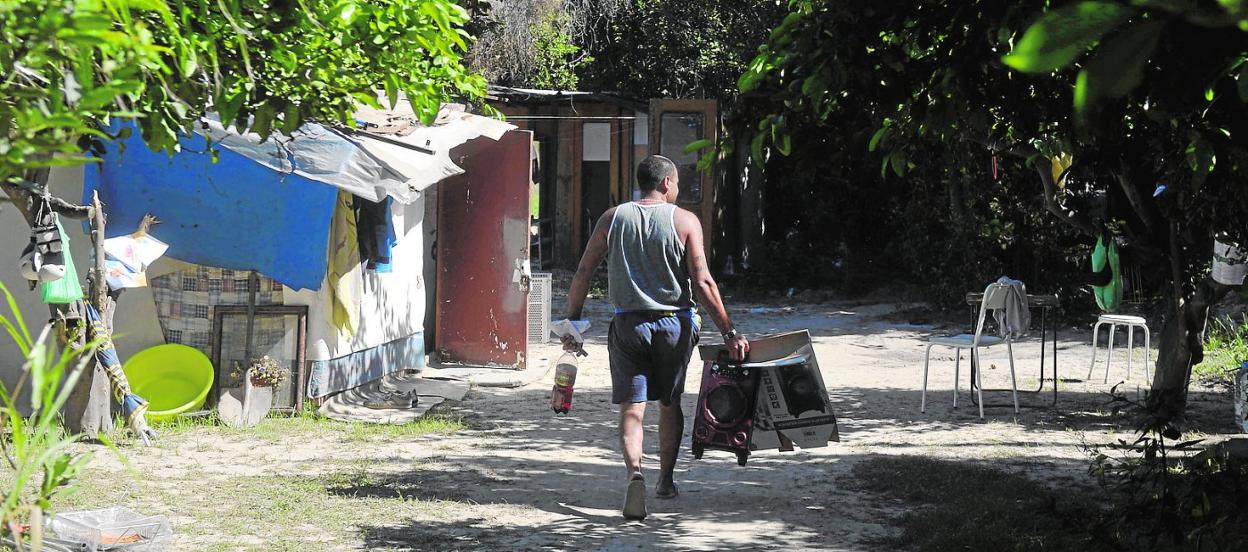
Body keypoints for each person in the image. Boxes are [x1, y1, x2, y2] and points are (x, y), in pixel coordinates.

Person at [563, 154, 750, 520]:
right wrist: (728, 330)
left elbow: (584, 271)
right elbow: (702, 281)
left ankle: (635, 473)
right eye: (677, 183)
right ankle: (665, 480)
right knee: (669, 403)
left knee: (633, 408)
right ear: (666, 183)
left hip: (628, 325)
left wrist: (573, 322)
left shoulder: (612, 218)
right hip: (673, 326)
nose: (677, 189)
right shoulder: (684, 220)